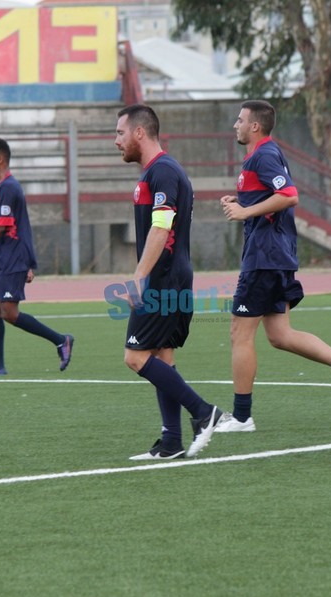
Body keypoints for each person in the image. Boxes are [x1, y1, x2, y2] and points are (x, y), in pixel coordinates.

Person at [214, 99, 331, 435]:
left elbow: (288, 195)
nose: (235, 125)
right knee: (280, 335)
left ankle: (242, 417)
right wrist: (242, 201)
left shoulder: (264, 155)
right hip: (274, 256)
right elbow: (271, 197)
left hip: (265, 258)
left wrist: (245, 211)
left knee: (239, 333)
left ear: (255, 126)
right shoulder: (263, 155)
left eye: (240, 120)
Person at [114, 104, 222, 460]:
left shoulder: (162, 171)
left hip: (163, 280)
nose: (116, 141)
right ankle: (172, 441)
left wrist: (138, 277)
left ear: (139, 132)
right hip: (171, 276)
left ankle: (204, 412)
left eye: (120, 133)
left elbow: (161, 228)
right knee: (162, 355)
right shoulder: (160, 171)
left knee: (135, 356)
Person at [0, 138, 73, 376]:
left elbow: (0, 227)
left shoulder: (9, 187)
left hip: (11, 259)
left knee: (9, 313)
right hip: (1, 259)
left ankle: (61, 340)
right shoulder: (2, 187)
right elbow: (21, 224)